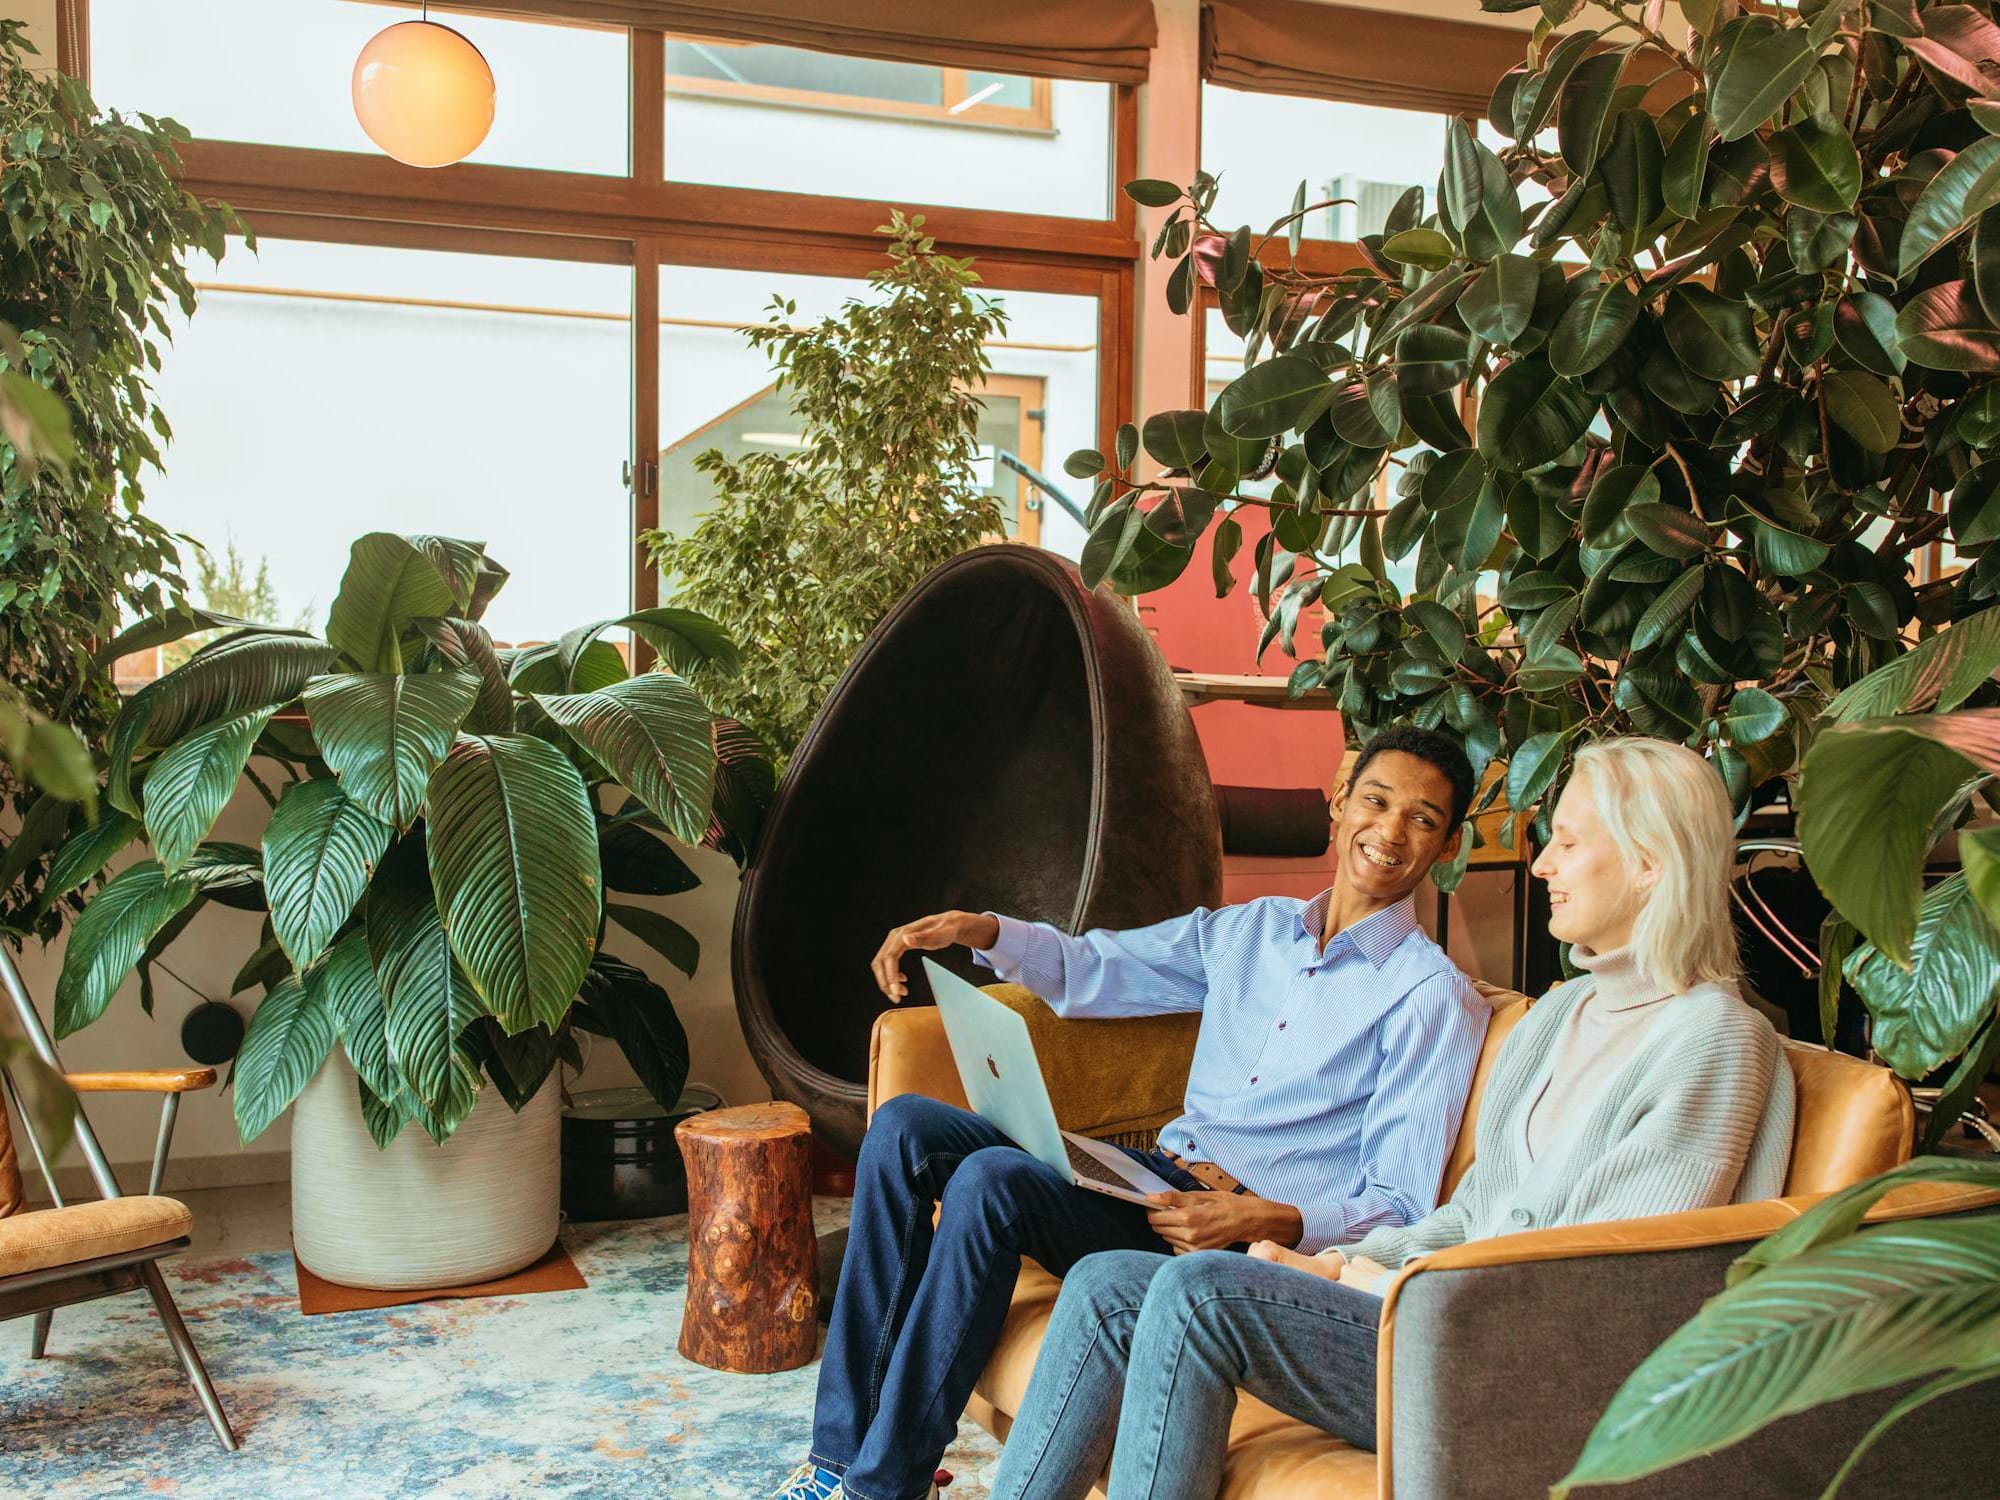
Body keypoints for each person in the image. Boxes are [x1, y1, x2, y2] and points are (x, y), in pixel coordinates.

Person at [989, 736, 1797, 1500]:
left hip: (1531, 1361)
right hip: (1444, 1312)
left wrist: (1381, 1277)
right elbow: (1476, 1212)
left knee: (1202, 1296)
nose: (1542, 862)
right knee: (1106, 1283)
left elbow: (1597, 1277)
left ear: (1651, 865)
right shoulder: (1565, 1014)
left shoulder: (1714, 1038)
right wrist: (1341, 1266)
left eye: (1570, 843)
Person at [773, 727, 1493, 1500]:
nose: (1389, 832)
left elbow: (1399, 1204)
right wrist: (977, 931)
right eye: (1377, 802)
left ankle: (883, 1488)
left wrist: (1262, 1220)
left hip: (1223, 1242)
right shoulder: (1250, 930)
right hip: (1147, 1181)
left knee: (990, 1182)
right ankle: (838, 1462)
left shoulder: (1431, 999)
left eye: (1422, 819)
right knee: (907, 1126)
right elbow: (1098, 969)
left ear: (1446, 845)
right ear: (1339, 807)